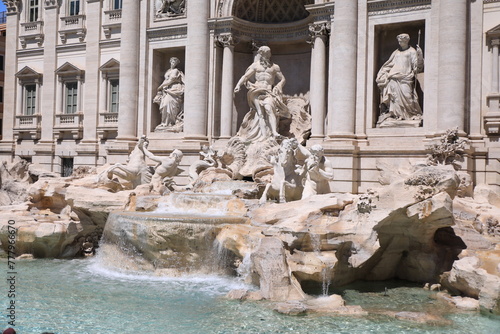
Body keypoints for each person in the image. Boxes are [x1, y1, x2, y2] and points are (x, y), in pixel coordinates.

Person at [234, 46, 287, 141]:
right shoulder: (255, 65)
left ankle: (274, 132)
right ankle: (263, 135)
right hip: (257, 90)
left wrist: (279, 86)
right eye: (265, 54)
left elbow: (282, 79)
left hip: (268, 91)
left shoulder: (275, 67)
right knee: (260, 113)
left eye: (268, 54)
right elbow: (245, 76)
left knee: (269, 108)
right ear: (261, 54)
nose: (267, 56)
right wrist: (238, 85)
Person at [376, 33, 423, 124]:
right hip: (393, 77)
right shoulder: (396, 52)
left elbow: (417, 67)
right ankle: (396, 115)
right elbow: (389, 64)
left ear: (406, 41)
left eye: (401, 41)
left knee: (408, 96)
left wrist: (420, 55)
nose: (399, 42)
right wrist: (383, 73)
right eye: (399, 41)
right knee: (394, 98)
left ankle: (409, 115)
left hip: (406, 78)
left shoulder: (412, 51)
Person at [154, 57, 185, 128]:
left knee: (170, 104)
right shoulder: (168, 71)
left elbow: (170, 80)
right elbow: (166, 80)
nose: (173, 63)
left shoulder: (176, 71)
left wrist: (160, 86)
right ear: (170, 62)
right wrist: (162, 88)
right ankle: (164, 122)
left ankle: (171, 122)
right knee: (164, 105)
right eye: (172, 62)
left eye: (175, 62)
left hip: (175, 88)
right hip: (167, 89)